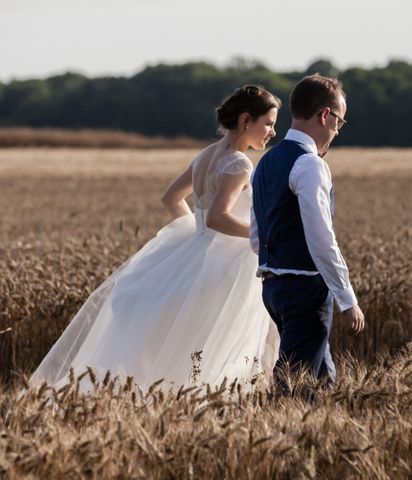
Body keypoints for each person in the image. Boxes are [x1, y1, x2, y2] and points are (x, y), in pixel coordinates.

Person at [29, 85, 282, 393]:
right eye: (268, 123)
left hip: (196, 252)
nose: (272, 131)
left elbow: (171, 198)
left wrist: (195, 233)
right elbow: (218, 217)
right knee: (211, 340)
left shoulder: (205, 155)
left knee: (183, 337)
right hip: (226, 263)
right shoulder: (239, 163)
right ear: (246, 120)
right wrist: (260, 236)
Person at [251, 74, 365, 393]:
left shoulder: (265, 162)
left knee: (322, 382)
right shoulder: (309, 164)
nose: (337, 131)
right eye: (339, 122)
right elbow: (322, 239)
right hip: (305, 289)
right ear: (325, 115)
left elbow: (255, 235)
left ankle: (319, 437)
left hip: (273, 288)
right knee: (293, 388)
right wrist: (347, 298)